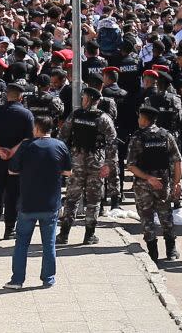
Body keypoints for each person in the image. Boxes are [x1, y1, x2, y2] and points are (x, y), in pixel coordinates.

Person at [5, 117, 72, 290]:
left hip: (28, 203)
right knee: (48, 243)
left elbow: (12, 169)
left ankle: (17, 280)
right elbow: (68, 171)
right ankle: (48, 279)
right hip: (50, 204)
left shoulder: (27, 146)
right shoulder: (60, 146)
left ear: (36, 128)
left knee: (21, 243)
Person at [56, 87, 117, 245]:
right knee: (93, 200)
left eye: (84, 97)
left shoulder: (75, 116)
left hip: (77, 162)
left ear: (90, 99)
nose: (82, 100)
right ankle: (89, 235)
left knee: (71, 198)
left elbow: (62, 137)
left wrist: (63, 159)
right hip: (96, 163)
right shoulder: (103, 118)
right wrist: (109, 165)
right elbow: (112, 142)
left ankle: (64, 234)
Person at [128, 106, 182, 262]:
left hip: (143, 186)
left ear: (144, 119)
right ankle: (171, 251)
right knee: (166, 216)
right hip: (163, 184)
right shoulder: (166, 136)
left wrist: (147, 178)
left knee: (146, 218)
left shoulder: (138, 138)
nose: (138, 120)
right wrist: (177, 183)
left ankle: (153, 254)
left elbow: (131, 165)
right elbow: (177, 161)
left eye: (140, 117)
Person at [0, 83, 34, 239]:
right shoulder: (26, 114)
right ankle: (9, 228)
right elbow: (28, 138)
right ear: (21, 97)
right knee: (13, 192)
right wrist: (12, 151)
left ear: (6, 95)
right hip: (16, 159)